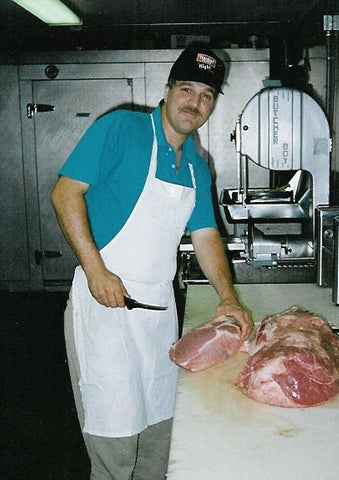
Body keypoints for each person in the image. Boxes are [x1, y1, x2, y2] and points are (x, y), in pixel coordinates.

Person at [51, 43, 253, 480]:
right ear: (168, 89)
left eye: (206, 96)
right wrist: (95, 270)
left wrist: (227, 296)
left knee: (161, 438)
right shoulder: (122, 129)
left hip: (159, 312)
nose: (194, 103)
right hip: (105, 309)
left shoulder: (198, 165)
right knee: (115, 442)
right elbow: (65, 193)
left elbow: (206, 235)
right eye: (187, 89)